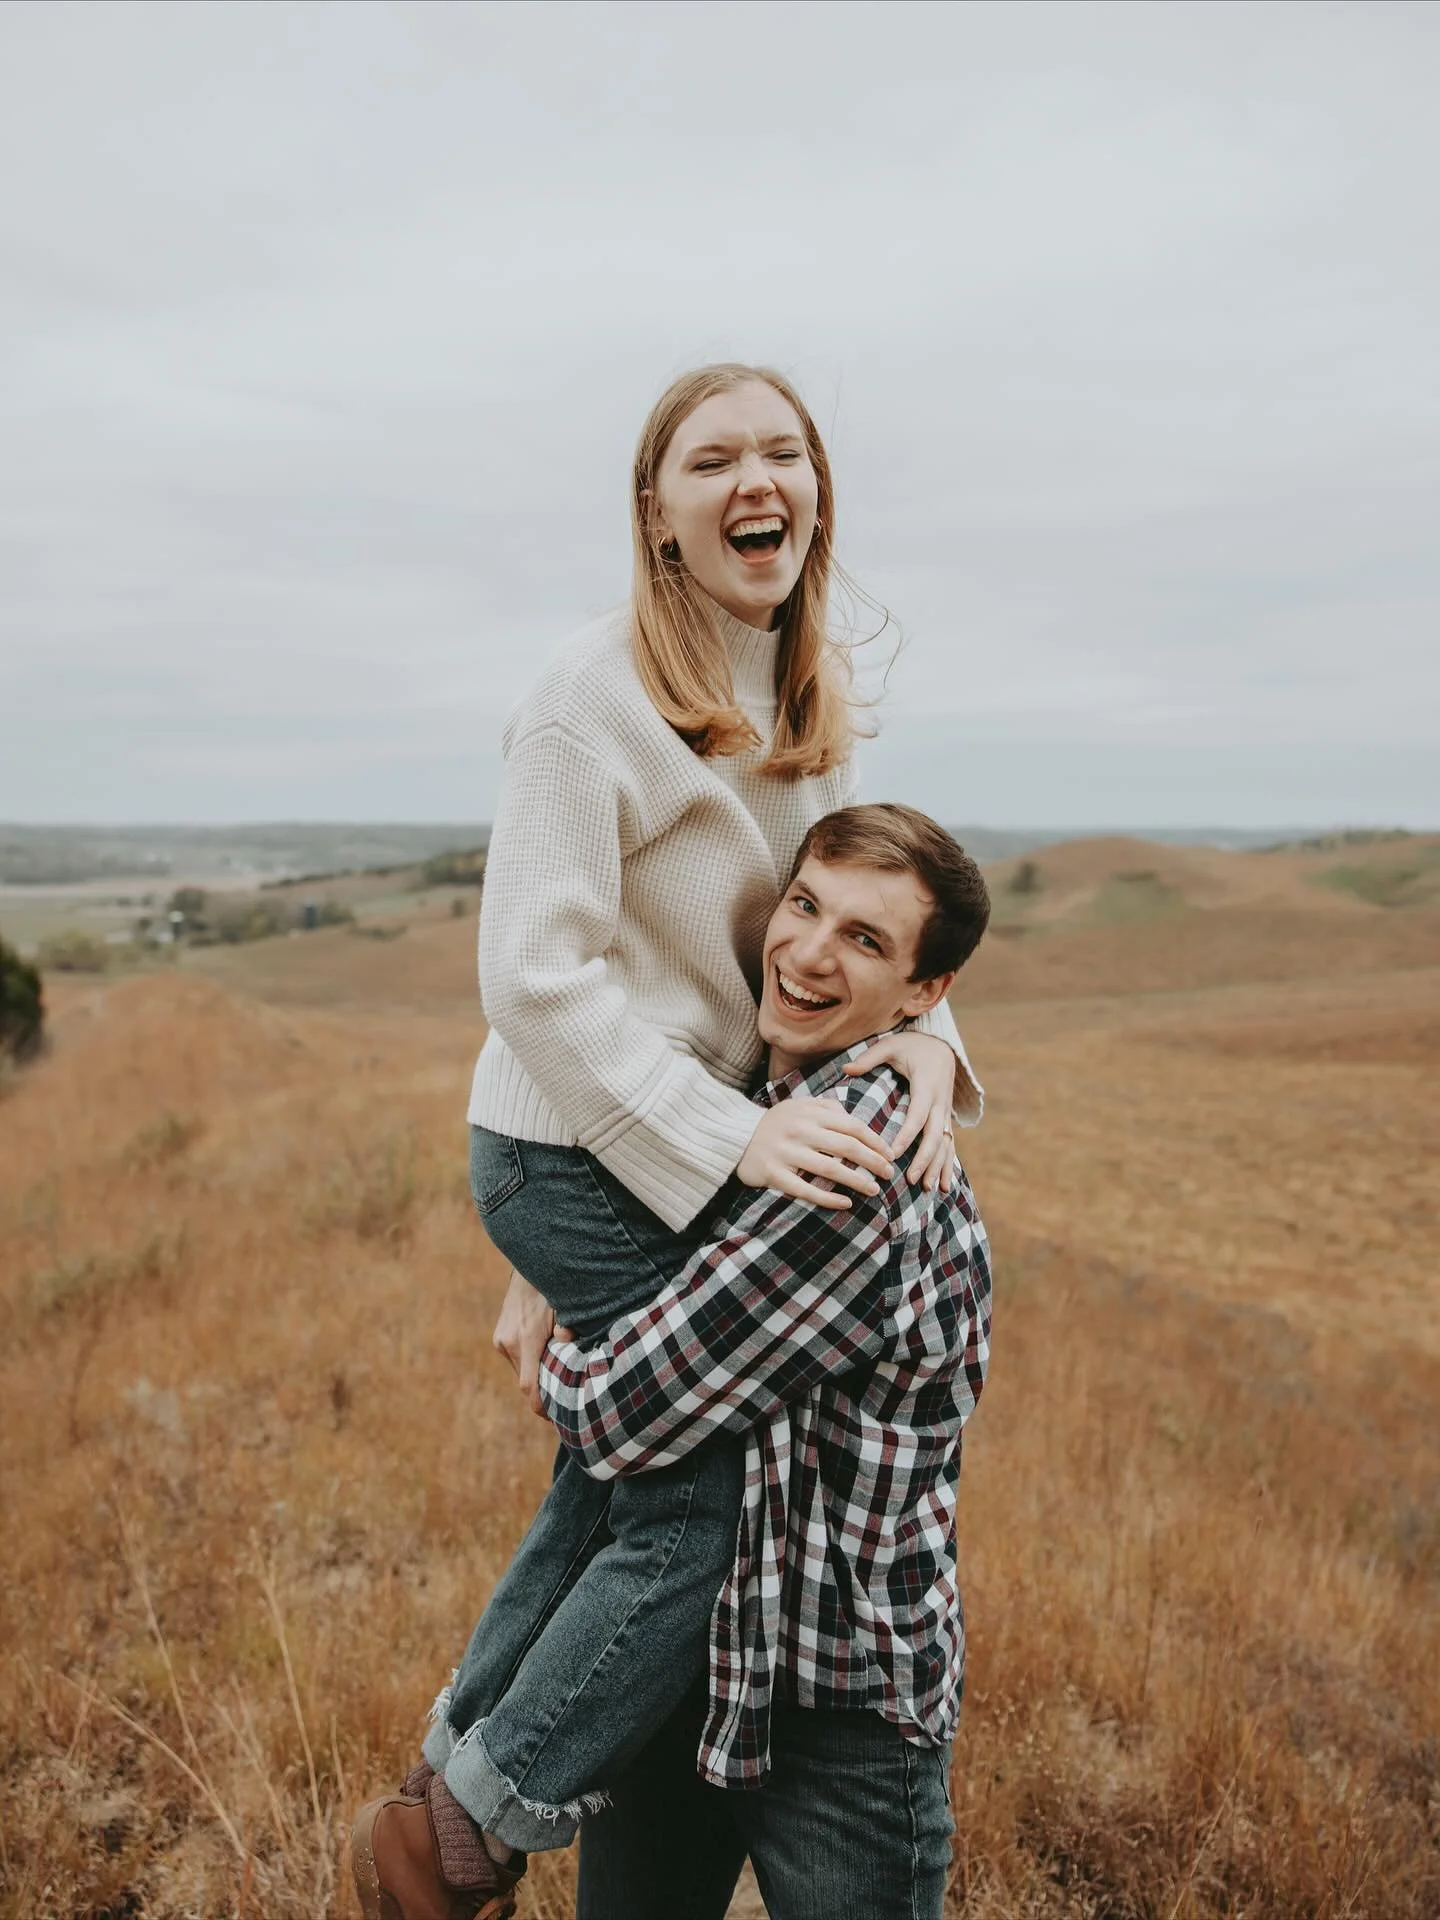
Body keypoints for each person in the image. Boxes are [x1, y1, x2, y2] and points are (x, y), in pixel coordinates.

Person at [350, 362, 982, 1913]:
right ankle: (473, 1831)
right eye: (713, 460)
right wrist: (713, 1149)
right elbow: (531, 976)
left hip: (653, 1147)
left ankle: (446, 1776)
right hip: (588, 1141)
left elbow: (855, 900)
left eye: (784, 452)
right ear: (659, 515)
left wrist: (934, 1048)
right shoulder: (590, 696)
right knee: (691, 1497)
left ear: (815, 492)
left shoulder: (801, 690)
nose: (756, 480)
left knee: (618, 1478)